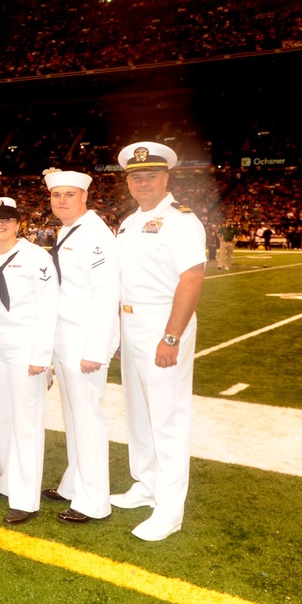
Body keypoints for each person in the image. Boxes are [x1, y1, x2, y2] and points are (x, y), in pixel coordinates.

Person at [110, 141, 206, 542]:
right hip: (130, 322)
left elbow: (192, 277)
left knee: (167, 417)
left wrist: (172, 335)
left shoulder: (182, 221)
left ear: (166, 178)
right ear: (128, 182)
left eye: (150, 175)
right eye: (136, 176)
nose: (142, 181)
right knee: (140, 411)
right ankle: (146, 484)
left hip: (163, 323)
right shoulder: (130, 221)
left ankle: (170, 509)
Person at [40, 170, 119, 524]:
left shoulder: (94, 235)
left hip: (84, 342)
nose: (62, 201)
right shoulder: (69, 230)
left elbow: (105, 295)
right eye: (57, 195)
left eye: (69, 195)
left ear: (85, 197)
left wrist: (95, 350)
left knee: (87, 420)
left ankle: (93, 502)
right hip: (66, 338)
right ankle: (74, 485)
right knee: (74, 418)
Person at [0, 196, 59, 525]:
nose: (0, 224)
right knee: (3, 417)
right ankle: (8, 481)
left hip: (26, 344)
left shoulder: (35, 257)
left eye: (7, 219)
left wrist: (42, 355)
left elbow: (49, 305)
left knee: (26, 421)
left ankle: (26, 498)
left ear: (18, 224)